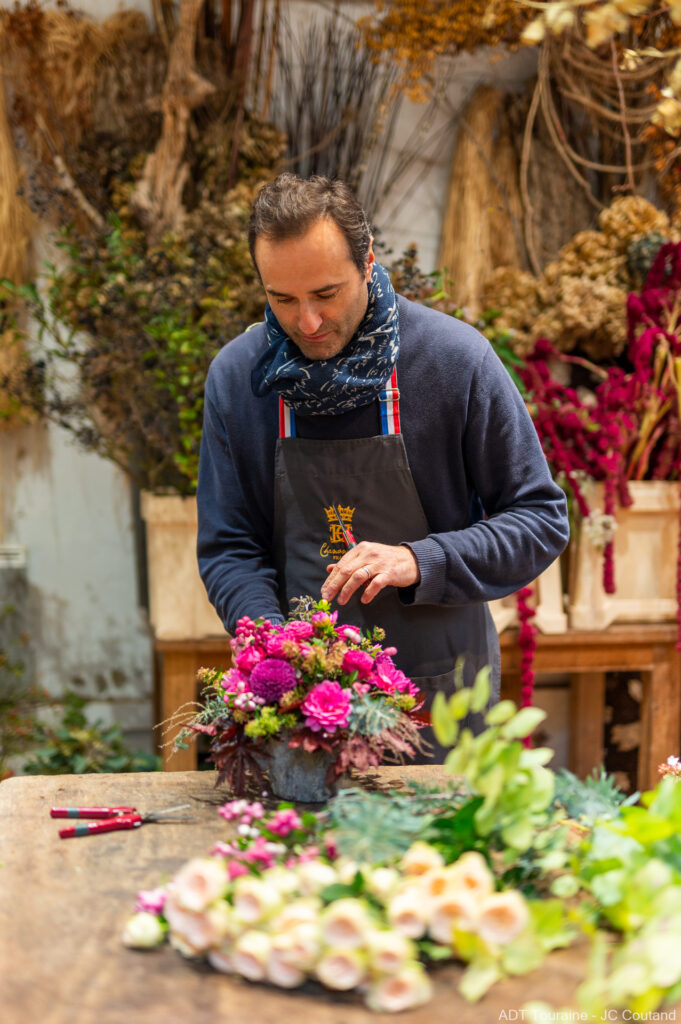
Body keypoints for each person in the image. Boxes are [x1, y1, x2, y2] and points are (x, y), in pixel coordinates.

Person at [196, 172, 569, 758]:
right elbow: (228, 547)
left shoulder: (454, 361)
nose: (308, 323)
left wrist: (420, 559)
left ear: (368, 262)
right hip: (301, 709)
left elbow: (540, 519)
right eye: (282, 299)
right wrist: (274, 651)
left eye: (326, 293)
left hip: (441, 698)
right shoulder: (240, 378)